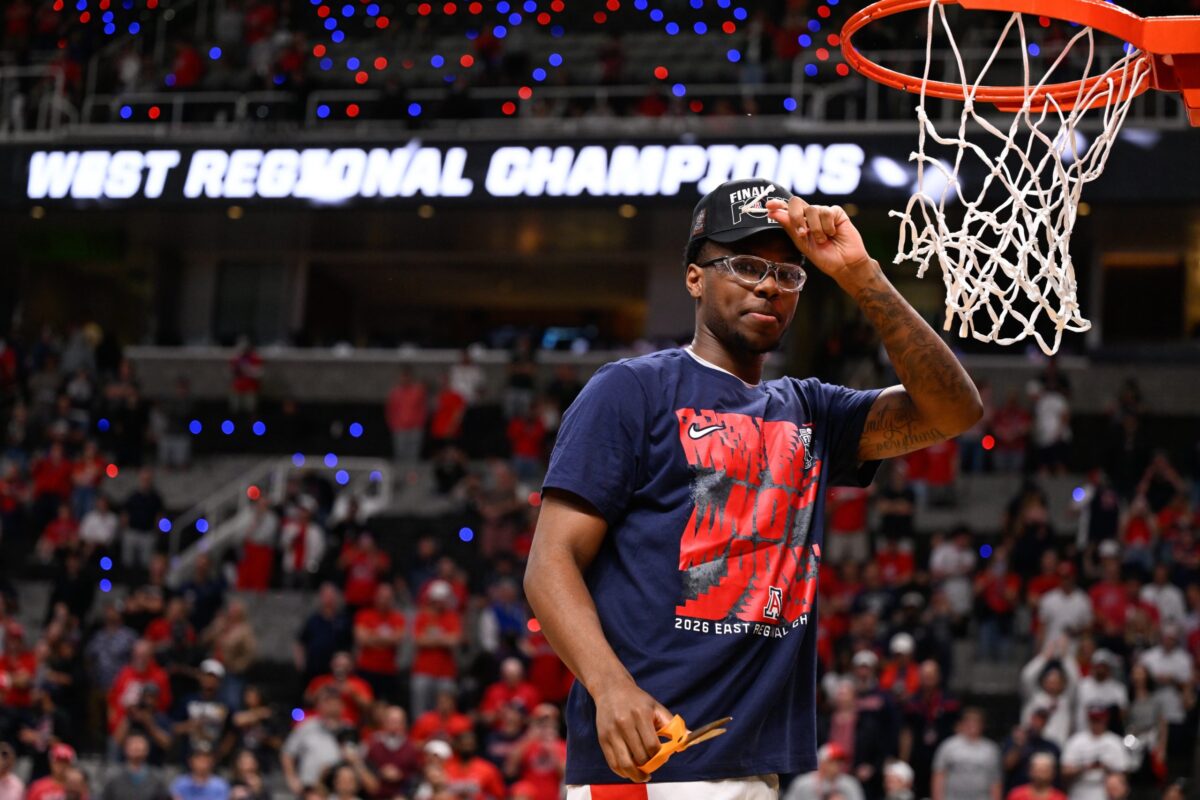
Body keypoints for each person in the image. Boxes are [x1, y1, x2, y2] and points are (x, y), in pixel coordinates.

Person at [525, 178, 982, 793]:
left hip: (752, 768)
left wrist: (861, 277)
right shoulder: (630, 389)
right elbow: (550, 562)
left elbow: (955, 410)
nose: (768, 285)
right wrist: (610, 687)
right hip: (650, 756)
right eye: (744, 265)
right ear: (695, 278)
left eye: (787, 273)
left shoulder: (813, 411)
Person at [281, 689, 347, 796]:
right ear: (319, 706)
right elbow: (287, 752)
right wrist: (291, 778)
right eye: (326, 703)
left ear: (342, 706)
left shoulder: (348, 729)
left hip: (338, 791)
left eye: (333, 703)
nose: (330, 707)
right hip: (309, 789)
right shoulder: (307, 726)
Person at [930, 708, 1003, 800]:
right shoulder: (948, 746)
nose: (972, 725)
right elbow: (939, 774)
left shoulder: (991, 749)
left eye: (976, 722)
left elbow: (996, 780)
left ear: (983, 725)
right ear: (963, 723)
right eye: (969, 722)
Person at [1061, 706, 1130, 800]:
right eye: (1094, 720)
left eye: (1099, 720)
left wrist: (1106, 767)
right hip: (1080, 791)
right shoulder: (1076, 740)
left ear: (1106, 720)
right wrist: (1085, 767)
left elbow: (1124, 773)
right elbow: (1064, 771)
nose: (1097, 723)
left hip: (1106, 792)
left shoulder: (1115, 741)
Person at [364, 705, 422, 800]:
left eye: (397, 722)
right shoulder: (374, 745)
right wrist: (380, 772)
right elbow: (367, 769)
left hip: (401, 795)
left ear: (404, 724)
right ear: (384, 723)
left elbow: (416, 776)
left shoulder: (410, 748)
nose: (394, 726)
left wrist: (401, 775)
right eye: (391, 721)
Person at [784, 743, 866, 800]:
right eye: (833, 761)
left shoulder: (850, 783)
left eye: (840, 762)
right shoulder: (803, 783)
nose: (837, 765)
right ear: (821, 762)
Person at [100, 734, 169, 800]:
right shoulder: (113, 776)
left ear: (147, 750)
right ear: (125, 749)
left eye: (140, 743)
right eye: (133, 743)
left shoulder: (157, 777)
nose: (136, 746)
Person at [386, 368, 427, 467]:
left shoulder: (418, 391)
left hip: (415, 428)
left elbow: (423, 408)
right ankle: (400, 474)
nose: (404, 379)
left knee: (413, 456)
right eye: (402, 377)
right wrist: (393, 424)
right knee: (400, 454)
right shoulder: (395, 393)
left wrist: (420, 424)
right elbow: (390, 410)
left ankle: (412, 475)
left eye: (407, 377)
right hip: (400, 428)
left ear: (411, 378)